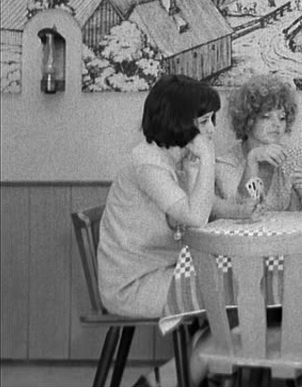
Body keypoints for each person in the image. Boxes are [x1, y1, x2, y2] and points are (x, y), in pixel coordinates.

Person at [97, 74, 222, 387]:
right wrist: (207, 158)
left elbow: (199, 218)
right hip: (132, 284)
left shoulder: (172, 159)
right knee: (236, 295)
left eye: (212, 120)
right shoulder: (148, 163)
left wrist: (195, 167)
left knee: (236, 298)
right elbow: (196, 218)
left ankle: (176, 376)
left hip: (160, 271)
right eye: (204, 121)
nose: (211, 130)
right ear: (178, 121)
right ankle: (165, 381)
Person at [215, 74, 302, 213]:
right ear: (248, 119)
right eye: (266, 116)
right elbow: (243, 209)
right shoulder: (226, 164)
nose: (276, 124)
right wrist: (252, 161)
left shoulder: (291, 158)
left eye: (282, 117)